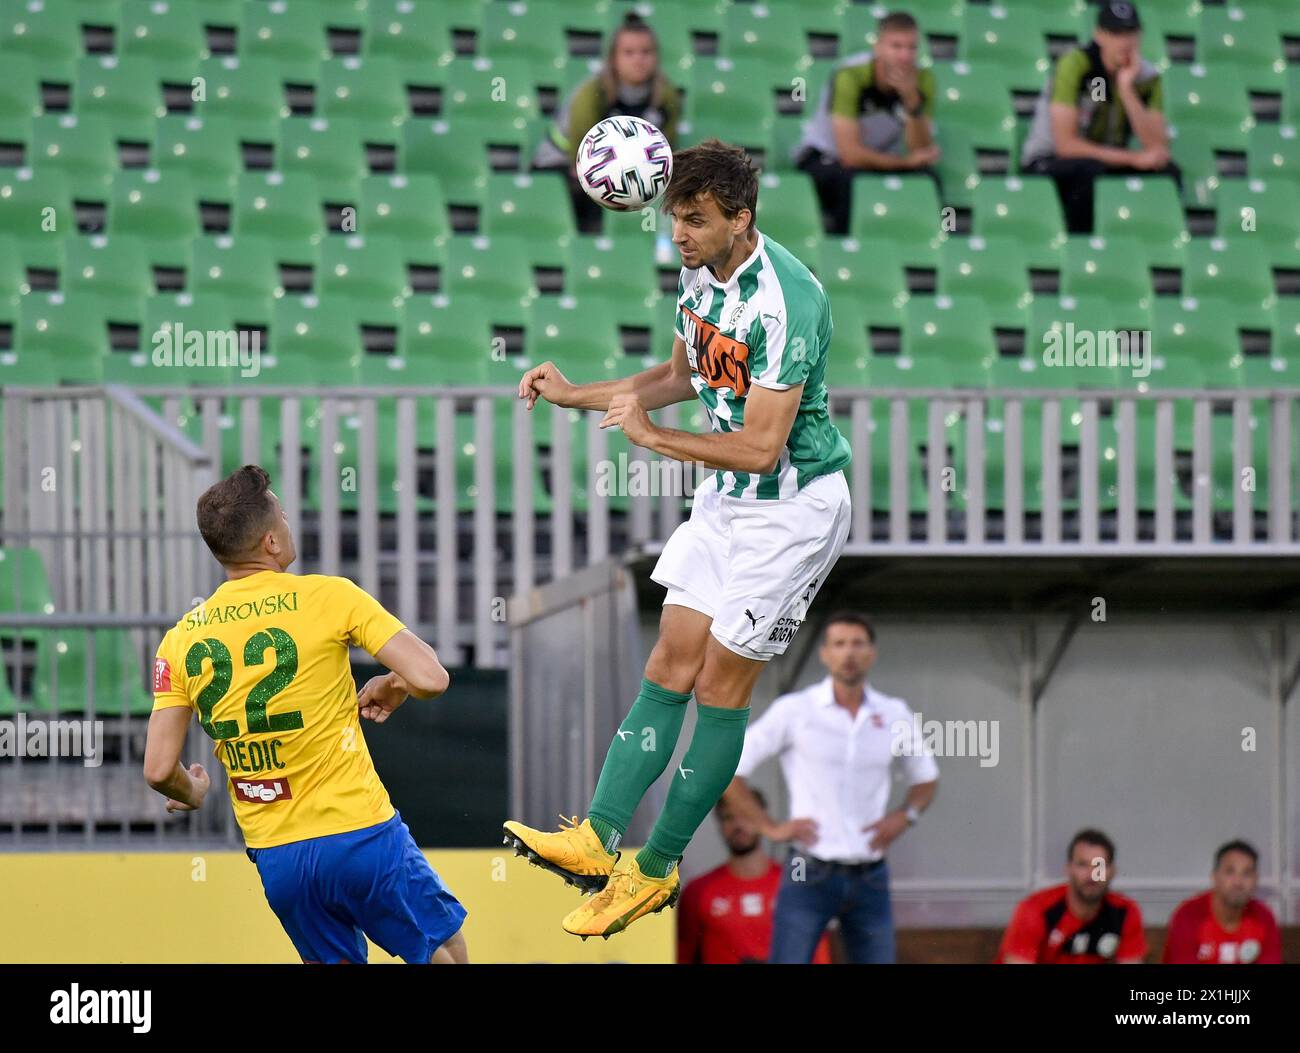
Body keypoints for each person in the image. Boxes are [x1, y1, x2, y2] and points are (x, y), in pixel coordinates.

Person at [504, 139, 854, 940]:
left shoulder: (788, 300)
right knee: (669, 658)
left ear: (743, 216)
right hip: (729, 498)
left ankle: (655, 870)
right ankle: (596, 839)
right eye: (674, 219)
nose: (680, 235)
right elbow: (678, 376)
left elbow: (764, 445)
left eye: (696, 220)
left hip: (794, 510)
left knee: (719, 685)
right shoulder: (699, 274)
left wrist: (656, 441)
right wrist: (575, 395)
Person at [144, 465, 468, 964]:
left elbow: (159, 769)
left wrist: (194, 791)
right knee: (443, 947)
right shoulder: (329, 596)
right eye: (284, 513)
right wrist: (395, 684)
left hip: (279, 857)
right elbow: (432, 677)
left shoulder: (181, 639)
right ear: (271, 542)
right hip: (359, 832)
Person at [722, 613, 938, 964]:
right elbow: (730, 767)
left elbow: (926, 777)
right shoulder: (795, 710)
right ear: (824, 654)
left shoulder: (894, 713)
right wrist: (769, 827)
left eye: (857, 643)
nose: (848, 653)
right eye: (839, 644)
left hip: (870, 869)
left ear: (872, 653)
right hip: (806, 866)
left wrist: (905, 816)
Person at [1020, 0, 1179, 233]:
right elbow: (1066, 146)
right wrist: (1132, 158)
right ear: (1099, 35)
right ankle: (1083, 245)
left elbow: (1157, 148)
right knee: (1088, 171)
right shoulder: (1077, 66)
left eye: (1130, 33)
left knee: (1167, 173)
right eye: (1115, 33)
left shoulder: (1146, 77)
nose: (1124, 42)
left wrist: (1127, 90)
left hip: (1104, 161)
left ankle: (1154, 243)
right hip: (1049, 161)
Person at [533, 11, 681, 232]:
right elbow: (581, 160)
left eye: (646, 52)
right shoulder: (592, 93)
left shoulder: (666, 96)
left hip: (622, 170)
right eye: (629, 53)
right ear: (614, 58)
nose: (638, 59)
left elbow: (665, 152)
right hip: (562, 167)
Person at [793, 10, 939, 235]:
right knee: (850, 182)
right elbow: (850, 154)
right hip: (826, 157)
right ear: (878, 47)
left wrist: (912, 103)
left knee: (928, 179)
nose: (905, 56)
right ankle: (846, 249)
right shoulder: (850, 75)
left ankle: (917, 243)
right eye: (896, 46)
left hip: (874, 160)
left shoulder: (922, 80)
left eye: (911, 47)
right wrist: (905, 163)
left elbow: (921, 151)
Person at [677, 790, 833, 964]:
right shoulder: (698, 891)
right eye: (728, 817)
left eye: (746, 815)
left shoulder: (794, 884)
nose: (738, 825)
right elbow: (682, 954)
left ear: (763, 818)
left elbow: (818, 947)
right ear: (719, 824)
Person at [998, 828, 1147, 964]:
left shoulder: (1125, 911)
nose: (1092, 875)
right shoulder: (1036, 909)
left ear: (1112, 871)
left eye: (1099, 866)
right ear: (1068, 868)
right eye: (1083, 864)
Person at [1162, 840, 1283, 964]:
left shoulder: (1263, 917)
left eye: (1247, 873)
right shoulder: (1188, 915)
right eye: (1230, 872)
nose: (1238, 882)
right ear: (1214, 876)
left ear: (1256, 880)